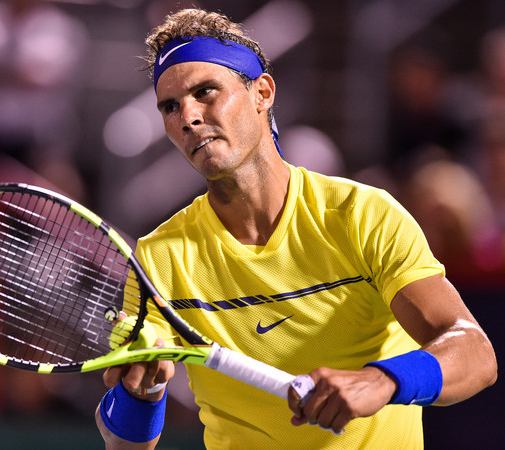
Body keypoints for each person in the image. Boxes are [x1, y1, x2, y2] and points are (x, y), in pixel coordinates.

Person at [95, 8, 497, 449]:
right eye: (170, 107)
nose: (187, 117)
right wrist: (143, 391)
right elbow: (125, 446)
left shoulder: (363, 215)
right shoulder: (159, 258)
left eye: (206, 91)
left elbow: (475, 354)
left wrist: (382, 381)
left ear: (262, 92)